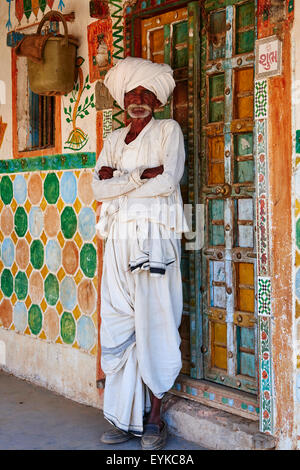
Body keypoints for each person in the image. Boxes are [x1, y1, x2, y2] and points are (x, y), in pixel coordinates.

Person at [92, 56, 189, 450]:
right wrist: (136, 176)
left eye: (146, 92)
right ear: (123, 99)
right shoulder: (114, 139)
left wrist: (118, 180)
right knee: (118, 323)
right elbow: (97, 189)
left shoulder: (169, 130)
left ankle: (153, 417)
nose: (138, 99)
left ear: (157, 99)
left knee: (154, 323)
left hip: (154, 238)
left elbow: (168, 181)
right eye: (132, 92)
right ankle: (122, 415)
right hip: (117, 239)